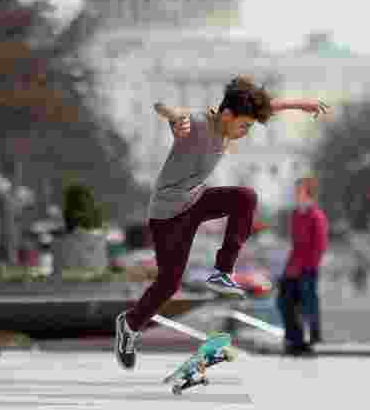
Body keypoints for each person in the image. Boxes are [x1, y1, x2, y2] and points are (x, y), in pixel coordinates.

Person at [115, 76, 329, 370]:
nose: (244, 133)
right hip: (168, 215)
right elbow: (165, 108)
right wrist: (174, 118)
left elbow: (268, 107)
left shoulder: (230, 121)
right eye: (243, 126)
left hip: (196, 202)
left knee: (245, 197)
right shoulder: (198, 124)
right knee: (168, 283)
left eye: (249, 127)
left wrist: (300, 104)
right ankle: (128, 325)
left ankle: (222, 270)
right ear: (226, 115)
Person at [277, 176, 329, 356]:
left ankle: (311, 339)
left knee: (308, 304)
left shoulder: (316, 216)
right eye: (296, 191)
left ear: (309, 194)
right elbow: (295, 244)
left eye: (299, 191)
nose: (296, 195)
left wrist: (309, 268)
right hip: (292, 268)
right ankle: (294, 339)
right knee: (284, 303)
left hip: (307, 269)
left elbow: (320, 246)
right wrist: (287, 270)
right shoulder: (295, 215)